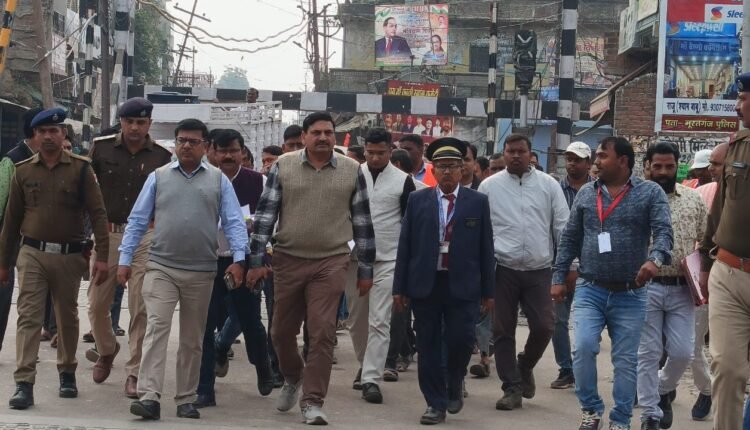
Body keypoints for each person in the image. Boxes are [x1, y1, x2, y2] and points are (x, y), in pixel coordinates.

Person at [246, 112, 375, 425]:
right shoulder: (284, 165)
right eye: (316, 132)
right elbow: (265, 215)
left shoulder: (351, 169)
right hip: (288, 259)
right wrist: (256, 260)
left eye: (328, 133)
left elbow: (362, 221)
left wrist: (366, 269)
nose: (323, 138)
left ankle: (313, 401)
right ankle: (293, 377)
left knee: (322, 332)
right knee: (280, 333)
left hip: (331, 261)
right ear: (304, 136)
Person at [118, 118, 248, 421]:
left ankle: (186, 398)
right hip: (161, 267)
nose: (186, 146)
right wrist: (125, 259)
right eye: (182, 141)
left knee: (192, 337)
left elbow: (234, 222)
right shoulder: (158, 177)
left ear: (206, 147)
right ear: (175, 144)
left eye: (193, 141)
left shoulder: (219, 181)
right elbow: (137, 220)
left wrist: (240, 259)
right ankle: (149, 397)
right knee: (156, 329)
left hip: (202, 271)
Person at [552, 136, 673, 430]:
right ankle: (591, 411)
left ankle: (620, 420)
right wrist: (558, 277)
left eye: (603, 156)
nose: (597, 161)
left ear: (623, 161)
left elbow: (664, 232)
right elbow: (570, 238)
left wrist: (654, 260)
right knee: (583, 348)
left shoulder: (649, 192)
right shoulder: (586, 193)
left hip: (631, 294)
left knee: (626, 360)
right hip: (590, 288)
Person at [0, 108, 110, 410]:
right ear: (35, 136)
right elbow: (11, 220)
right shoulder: (23, 171)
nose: (48, 136)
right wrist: (4, 262)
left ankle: (67, 372)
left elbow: (98, 214)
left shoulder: (82, 170)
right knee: (28, 317)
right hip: (31, 254)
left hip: (69, 256)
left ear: (64, 134)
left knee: (67, 317)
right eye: (42, 132)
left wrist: (103, 256)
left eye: (54, 131)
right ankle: (24, 382)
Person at [393, 137, 495, 425]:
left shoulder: (477, 202)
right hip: (426, 284)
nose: (447, 172)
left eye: (452, 166)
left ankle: (454, 382)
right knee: (427, 345)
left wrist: (489, 291)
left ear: (463, 169)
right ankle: (434, 403)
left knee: (461, 341)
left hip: (463, 285)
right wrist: (400, 287)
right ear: (433, 170)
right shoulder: (418, 200)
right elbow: (405, 246)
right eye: (441, 166)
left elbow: (486, 248)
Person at [84, 97, 172, 392]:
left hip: (146, 237)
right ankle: (107, 349)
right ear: (121, 122)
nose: (135, 128)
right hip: (107, 235)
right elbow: (86, 190)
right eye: (129, 121)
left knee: (141, 305)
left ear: (149, 124)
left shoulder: (162, 156)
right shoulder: (101, 148)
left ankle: (135, 372)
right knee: (97, 305)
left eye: (141, 122)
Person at [478, 134, 569, 411]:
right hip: (502, 268)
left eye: (521, 151)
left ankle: (525, 364)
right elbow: (481, 230)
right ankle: (512, 388)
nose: (515, 156)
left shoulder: (548, 185)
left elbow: (562, 226)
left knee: (544, 326)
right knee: (502, 330)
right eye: (510, 151)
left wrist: (568, 267)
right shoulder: (489, 186)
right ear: (503, 153)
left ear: (531, 154)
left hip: (539, 269)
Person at [196, 129, 273, 408]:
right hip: (207, 262)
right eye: (222, 150)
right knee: (204, 326)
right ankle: (205, 388)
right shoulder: (200, 180)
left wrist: (261, 262)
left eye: (234, 150)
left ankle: (263, 367)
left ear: (243, 152)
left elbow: (268, 226)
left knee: (250, 321)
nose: (228, 156)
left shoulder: (258, 182)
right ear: (211, 152)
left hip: (245, 261)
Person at [637, 142, 707, 430]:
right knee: (648, 353)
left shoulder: (694, 199)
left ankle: (662, 389)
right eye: (657, 166)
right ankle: (650, 414)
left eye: (669, 166)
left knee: (682, 352)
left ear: (678, 166)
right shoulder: (634, 197)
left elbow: (706, 240)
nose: (663, 172)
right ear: (647, 167)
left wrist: (701, 272)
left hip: (682, 288)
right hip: (645, 287)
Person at [346, 128, 416, 404]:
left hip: (389, 257)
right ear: (364, 150)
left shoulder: (403, 181)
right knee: (356, 321)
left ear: (391, 151)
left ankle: (371, 379)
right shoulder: (352, 175)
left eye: (381, 153)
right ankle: (365, 364)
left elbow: (409, 224)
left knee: (380, 321)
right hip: (354, 258)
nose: (375, 158)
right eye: (370, 153)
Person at [698, 72, 750, 430]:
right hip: (729, 274)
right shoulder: (736, 147)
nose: (737, 106)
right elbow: (720, 210)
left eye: (743, 98)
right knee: (728, 369)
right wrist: (705, 262)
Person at [690, 142, 728, 421]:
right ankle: (706, 389)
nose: (711, 170)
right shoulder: (699, 194)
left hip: (734, 279)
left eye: (716, 165)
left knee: (725, 354)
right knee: (691, 344)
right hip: (701, 276)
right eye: (709, 165)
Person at [550, 142, 593, 390]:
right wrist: (563, 267)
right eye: (569, 159)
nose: (572, 163)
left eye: (577, 159)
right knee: (558, 320)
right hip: (560, 264)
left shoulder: (598, 190)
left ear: (589, 163)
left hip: (592, 266)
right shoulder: (555, 190)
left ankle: (583, 368)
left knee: (587, 324)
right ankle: (566, 368)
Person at [0, 107, 43, 353]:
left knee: (32, 300)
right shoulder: (12, 160)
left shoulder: (52, 160)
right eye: (44, 130)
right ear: (34, 131)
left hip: (37, 239)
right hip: (9, 238)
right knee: (3, 293)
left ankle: (28, 351)